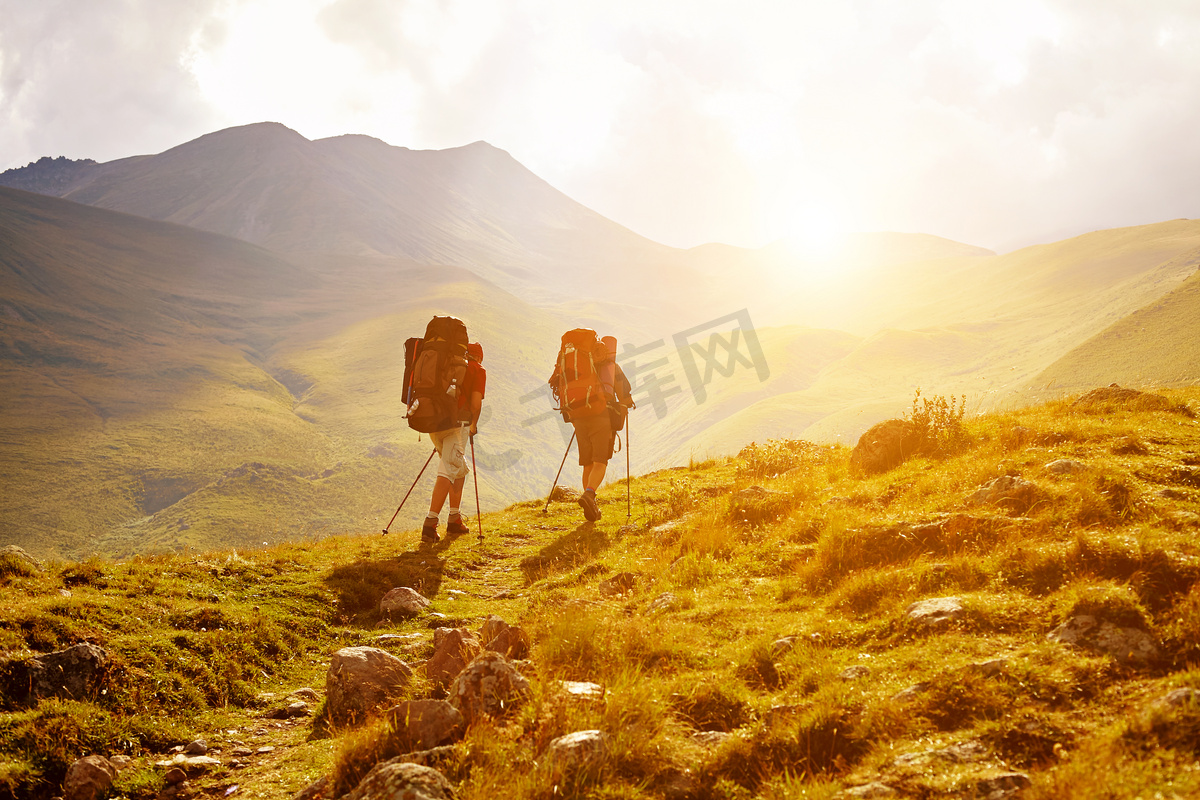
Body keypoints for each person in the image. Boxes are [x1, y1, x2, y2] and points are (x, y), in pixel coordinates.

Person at [549, 332, 633, 522]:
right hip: (601, 415)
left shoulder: (574, 364)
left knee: (587, 462)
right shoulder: (610, 366)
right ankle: (589, 494)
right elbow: (625, 395)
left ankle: (590, 503)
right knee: (600, 461)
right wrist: (626, 404)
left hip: (577, 415)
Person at [422, 341, 485, 543]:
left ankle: (454, 518)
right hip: (457, 425)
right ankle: (430, 525)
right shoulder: (477, 370)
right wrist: (473, 425)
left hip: (434, 423)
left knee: (459, 468)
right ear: (480, 356)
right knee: (448, 471)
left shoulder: (447, 365)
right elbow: (475, 404)